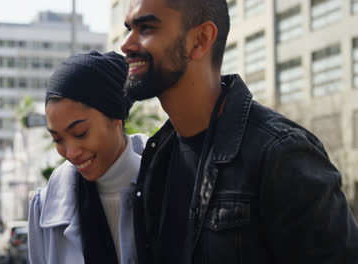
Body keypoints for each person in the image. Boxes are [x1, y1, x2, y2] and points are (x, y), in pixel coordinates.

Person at [120, 0, 358, 263]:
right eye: (129, 28)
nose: (127, 45)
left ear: (200, 40)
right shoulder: (158, 155)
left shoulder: (281, 153)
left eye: (146, 28)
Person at [28, 51, 148, 264]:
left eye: (81, 133)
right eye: (57, 139)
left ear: (116, 118)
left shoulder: (170, 185)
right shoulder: (43, 208)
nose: (71, 153)